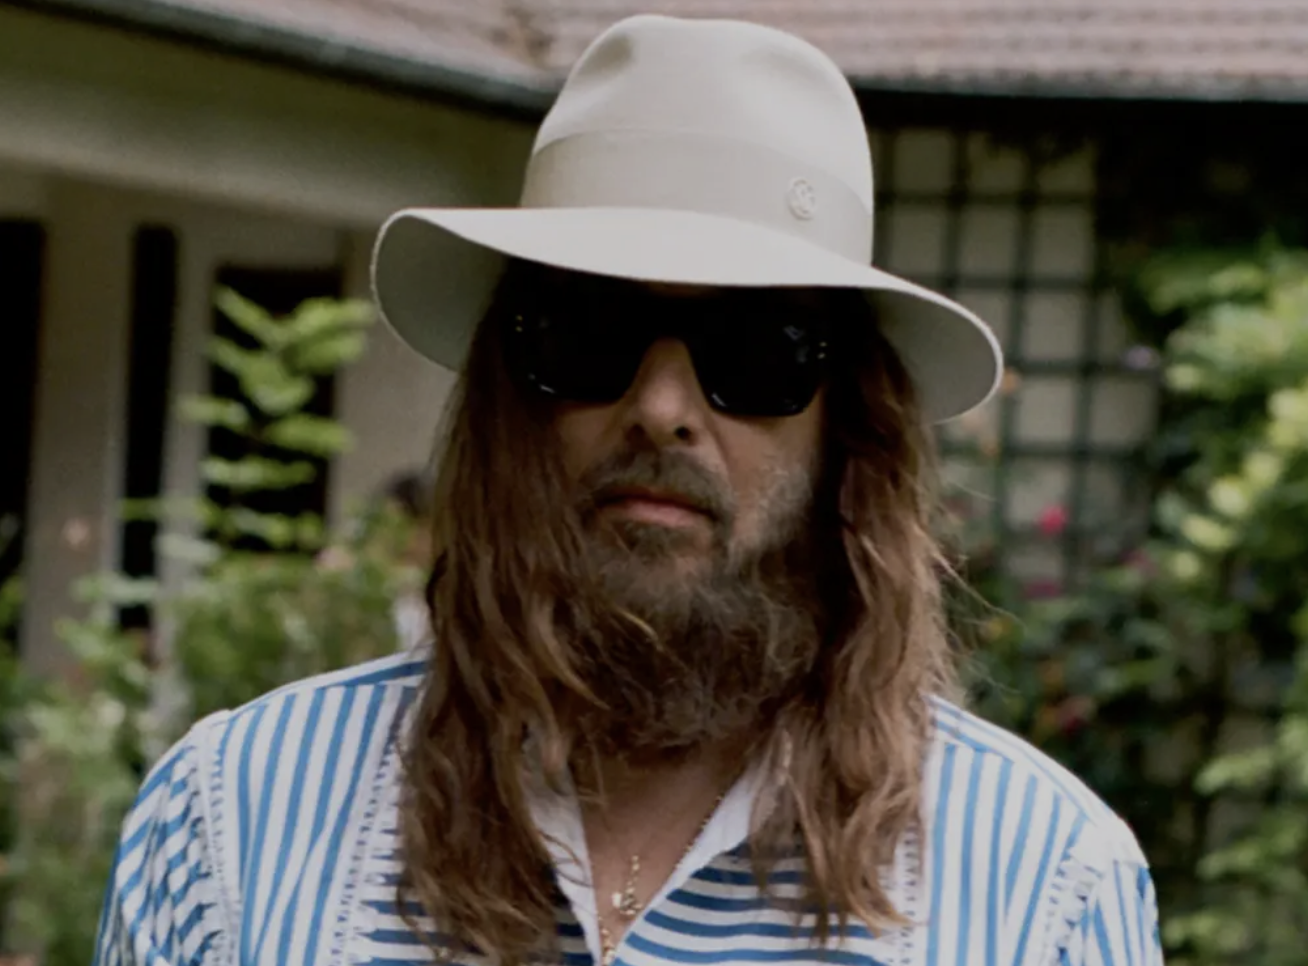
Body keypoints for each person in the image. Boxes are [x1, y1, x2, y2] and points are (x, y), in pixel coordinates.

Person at [94, 15, 1162, 966]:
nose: (661, 408)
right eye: (588, 331)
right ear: (509, 394)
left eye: (756, 349)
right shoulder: (232, 824)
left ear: (849, 425)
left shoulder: (1042, 888)